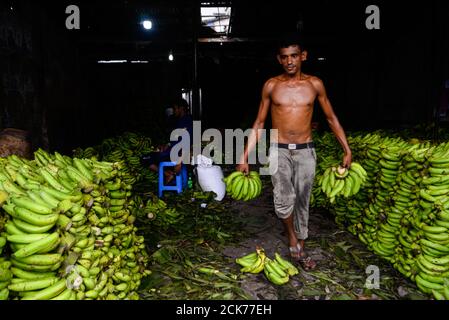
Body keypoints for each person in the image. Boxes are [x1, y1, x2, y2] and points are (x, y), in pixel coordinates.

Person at [236, 33, 352, 270]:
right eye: (285, 57)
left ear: (303, 56)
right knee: (282, 200)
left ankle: (301, 243)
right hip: (278, 149)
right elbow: (259, 123)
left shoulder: (314, 84)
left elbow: (331, 118)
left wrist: (346, 149)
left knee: (302, 200)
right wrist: (244, 156)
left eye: (294, 56)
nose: (290, 61)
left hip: (305, 150)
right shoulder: (271, 85)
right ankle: (291, 236)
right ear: (279, 59)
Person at [143, 98, 193, 184]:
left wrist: (179, 161)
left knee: (144, 159)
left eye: (175, 108)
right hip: (170, 152)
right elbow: (177, 139)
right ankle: (168, 174)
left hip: (176, 155)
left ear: (181, 108)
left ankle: (167, 174)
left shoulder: (187, 121)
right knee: (148, 156)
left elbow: (187, 142)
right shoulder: (180, 121)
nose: (174, 111)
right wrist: (167, 145)